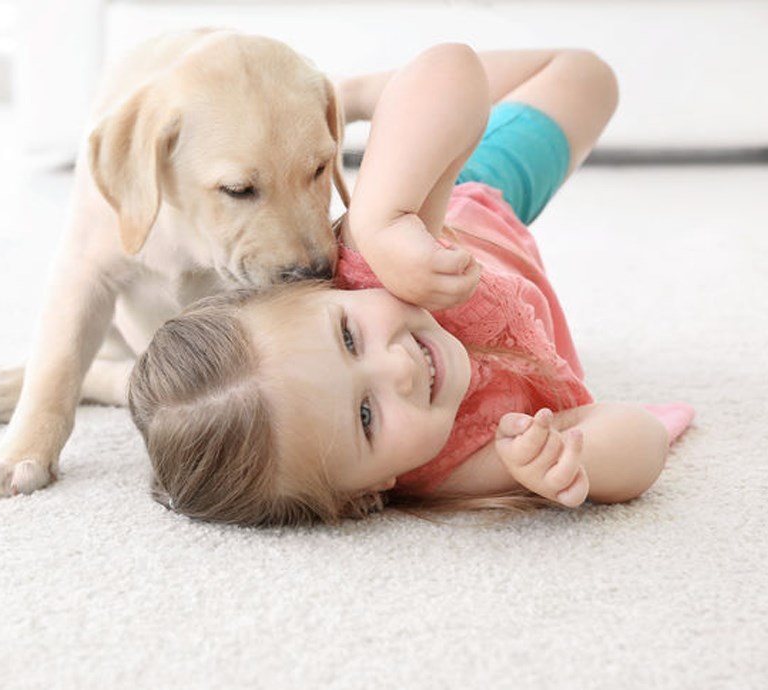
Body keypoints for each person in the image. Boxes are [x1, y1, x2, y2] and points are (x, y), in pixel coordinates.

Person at [127, 44, 694, 526]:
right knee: (589, 76)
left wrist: (383, 218)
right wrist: (572, 459)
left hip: (471, 205)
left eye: (349, 337)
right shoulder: (455, 465)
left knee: (585, 76)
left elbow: (450, 68)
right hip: (514, 248)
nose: (397, 368)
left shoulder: (373, 265)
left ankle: (355, 99)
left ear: (327, 292)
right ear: (367, 494)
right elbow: (641, 439)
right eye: (366, 416)